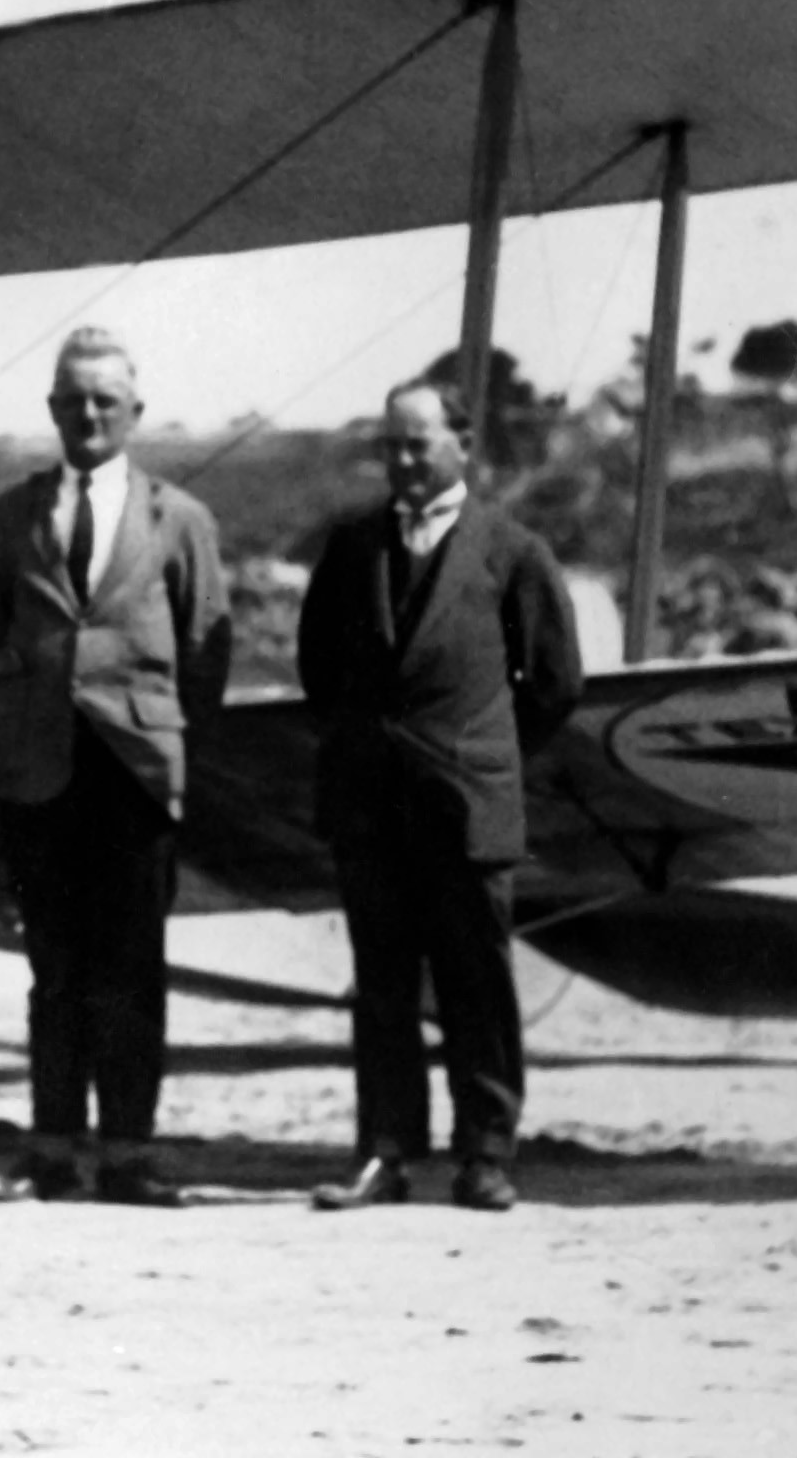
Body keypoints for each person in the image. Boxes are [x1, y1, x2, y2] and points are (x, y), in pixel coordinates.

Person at [295, 378, 583, 1215]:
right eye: (391, 446)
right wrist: (368, 747)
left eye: (418, 444)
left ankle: (486, 1155)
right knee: (381, 986)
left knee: (476, 985)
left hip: (466, 806)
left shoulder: (513, 550)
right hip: (370, 804)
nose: (403, 461)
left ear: (464, 445)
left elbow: (555, 682)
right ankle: (383, 1156)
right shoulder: (352, 547)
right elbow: (319, 669)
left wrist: (478, 755)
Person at [0, 327, 230, 1209]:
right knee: (54, 968)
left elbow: (205, 650)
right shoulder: (13, 515)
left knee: (132, 967)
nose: (89, 414)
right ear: (53, 409)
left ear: (134, 412)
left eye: (105, 401)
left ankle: (126, 1155)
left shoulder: (180, 519)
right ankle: (50, 1150)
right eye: (74, 400)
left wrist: (165, 743)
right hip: (39, 767)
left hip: (134, 772)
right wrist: (25, 718)